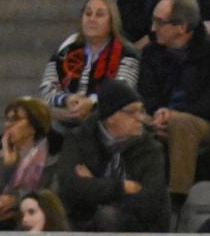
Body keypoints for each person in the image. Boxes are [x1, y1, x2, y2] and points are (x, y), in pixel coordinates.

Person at [137, 0, 210, 202]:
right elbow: (147, 93)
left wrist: (173, 116)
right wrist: (158, 114)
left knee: (180, 124)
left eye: (160, 22)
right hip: (158, 118)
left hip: (201, 122)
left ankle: (177, 201)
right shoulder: (151, 53)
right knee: (125, 119)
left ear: (182, 27)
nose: (152, 29)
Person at [52, 78, 168, 232]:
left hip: (139, 227)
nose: (140, 118)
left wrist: (94, 185)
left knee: (107, 216)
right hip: (85, 220)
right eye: (132, 112)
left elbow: (149, 201)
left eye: (141, 111)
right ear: (111, 117)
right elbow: (69, 186)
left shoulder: (150, 148)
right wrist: (121, 187)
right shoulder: (79, 139)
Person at [43, 0, 141, 126]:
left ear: (112, 21)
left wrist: (92, 102)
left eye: (99, 15)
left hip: (106, 121)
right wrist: (67, 99)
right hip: (66, 116)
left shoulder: (127, 53)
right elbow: (47, 88)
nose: (92, 19)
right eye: (88, 13)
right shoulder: (67, 48)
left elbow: (123, 93)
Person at [0, 97, 56, 228]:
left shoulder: (53, 155)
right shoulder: (1, 151)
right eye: (7, 119)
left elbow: (52, 199)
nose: (7, 125)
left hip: (35, 218)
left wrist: (17, 200)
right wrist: (5, 164)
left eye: (15, 119)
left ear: (34, 124)